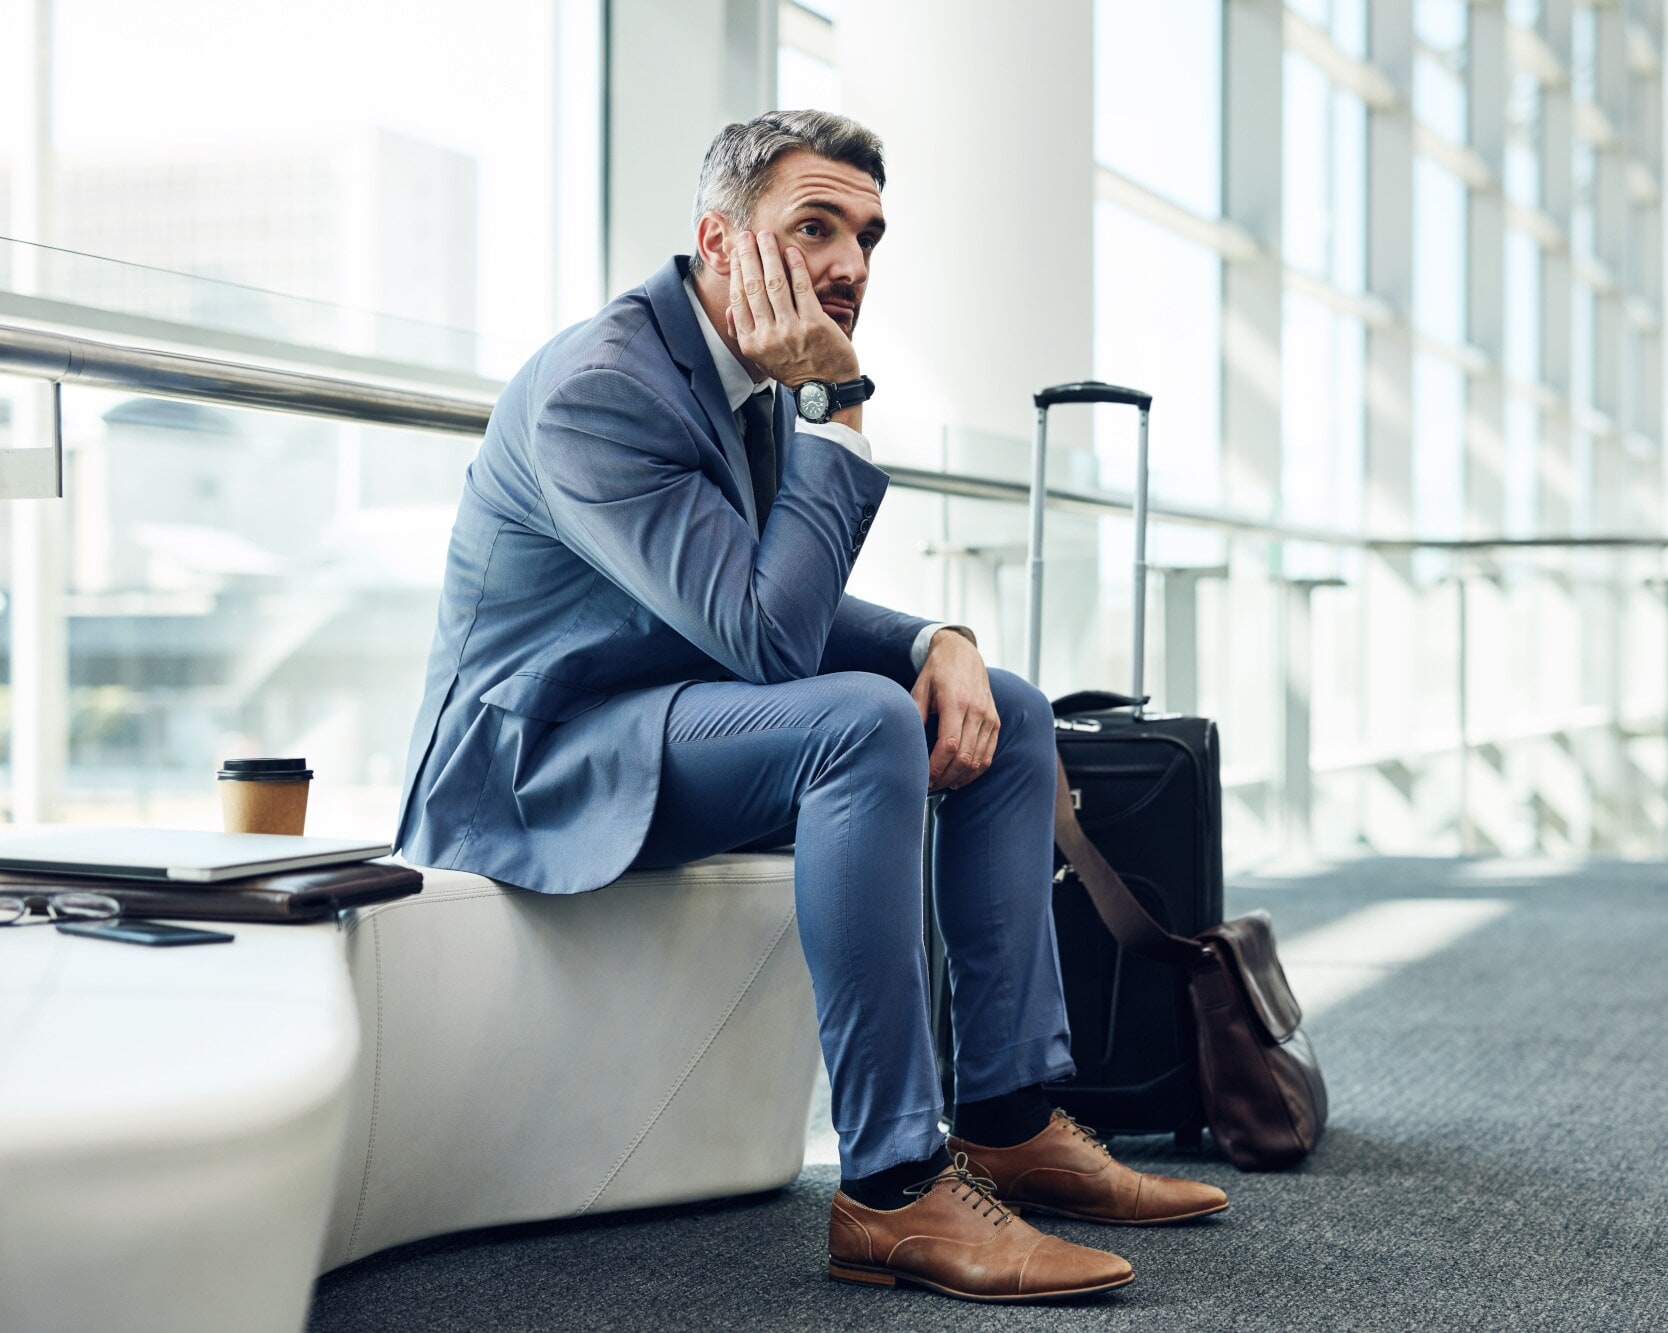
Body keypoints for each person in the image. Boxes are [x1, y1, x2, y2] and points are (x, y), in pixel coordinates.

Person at [395, 109, 1226, 1304]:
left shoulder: (741, 375)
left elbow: (753, 595)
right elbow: (766, 636)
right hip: (543, 756)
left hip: (672, 708)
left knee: (1008, 709)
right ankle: (889, 1188)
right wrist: (840, 412)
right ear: (720, 241)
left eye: (868, 236)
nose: (849, 266)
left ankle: (1006, 1115)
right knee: (859, 722)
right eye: (815, 228)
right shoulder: (603, 388)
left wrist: (934, 640)